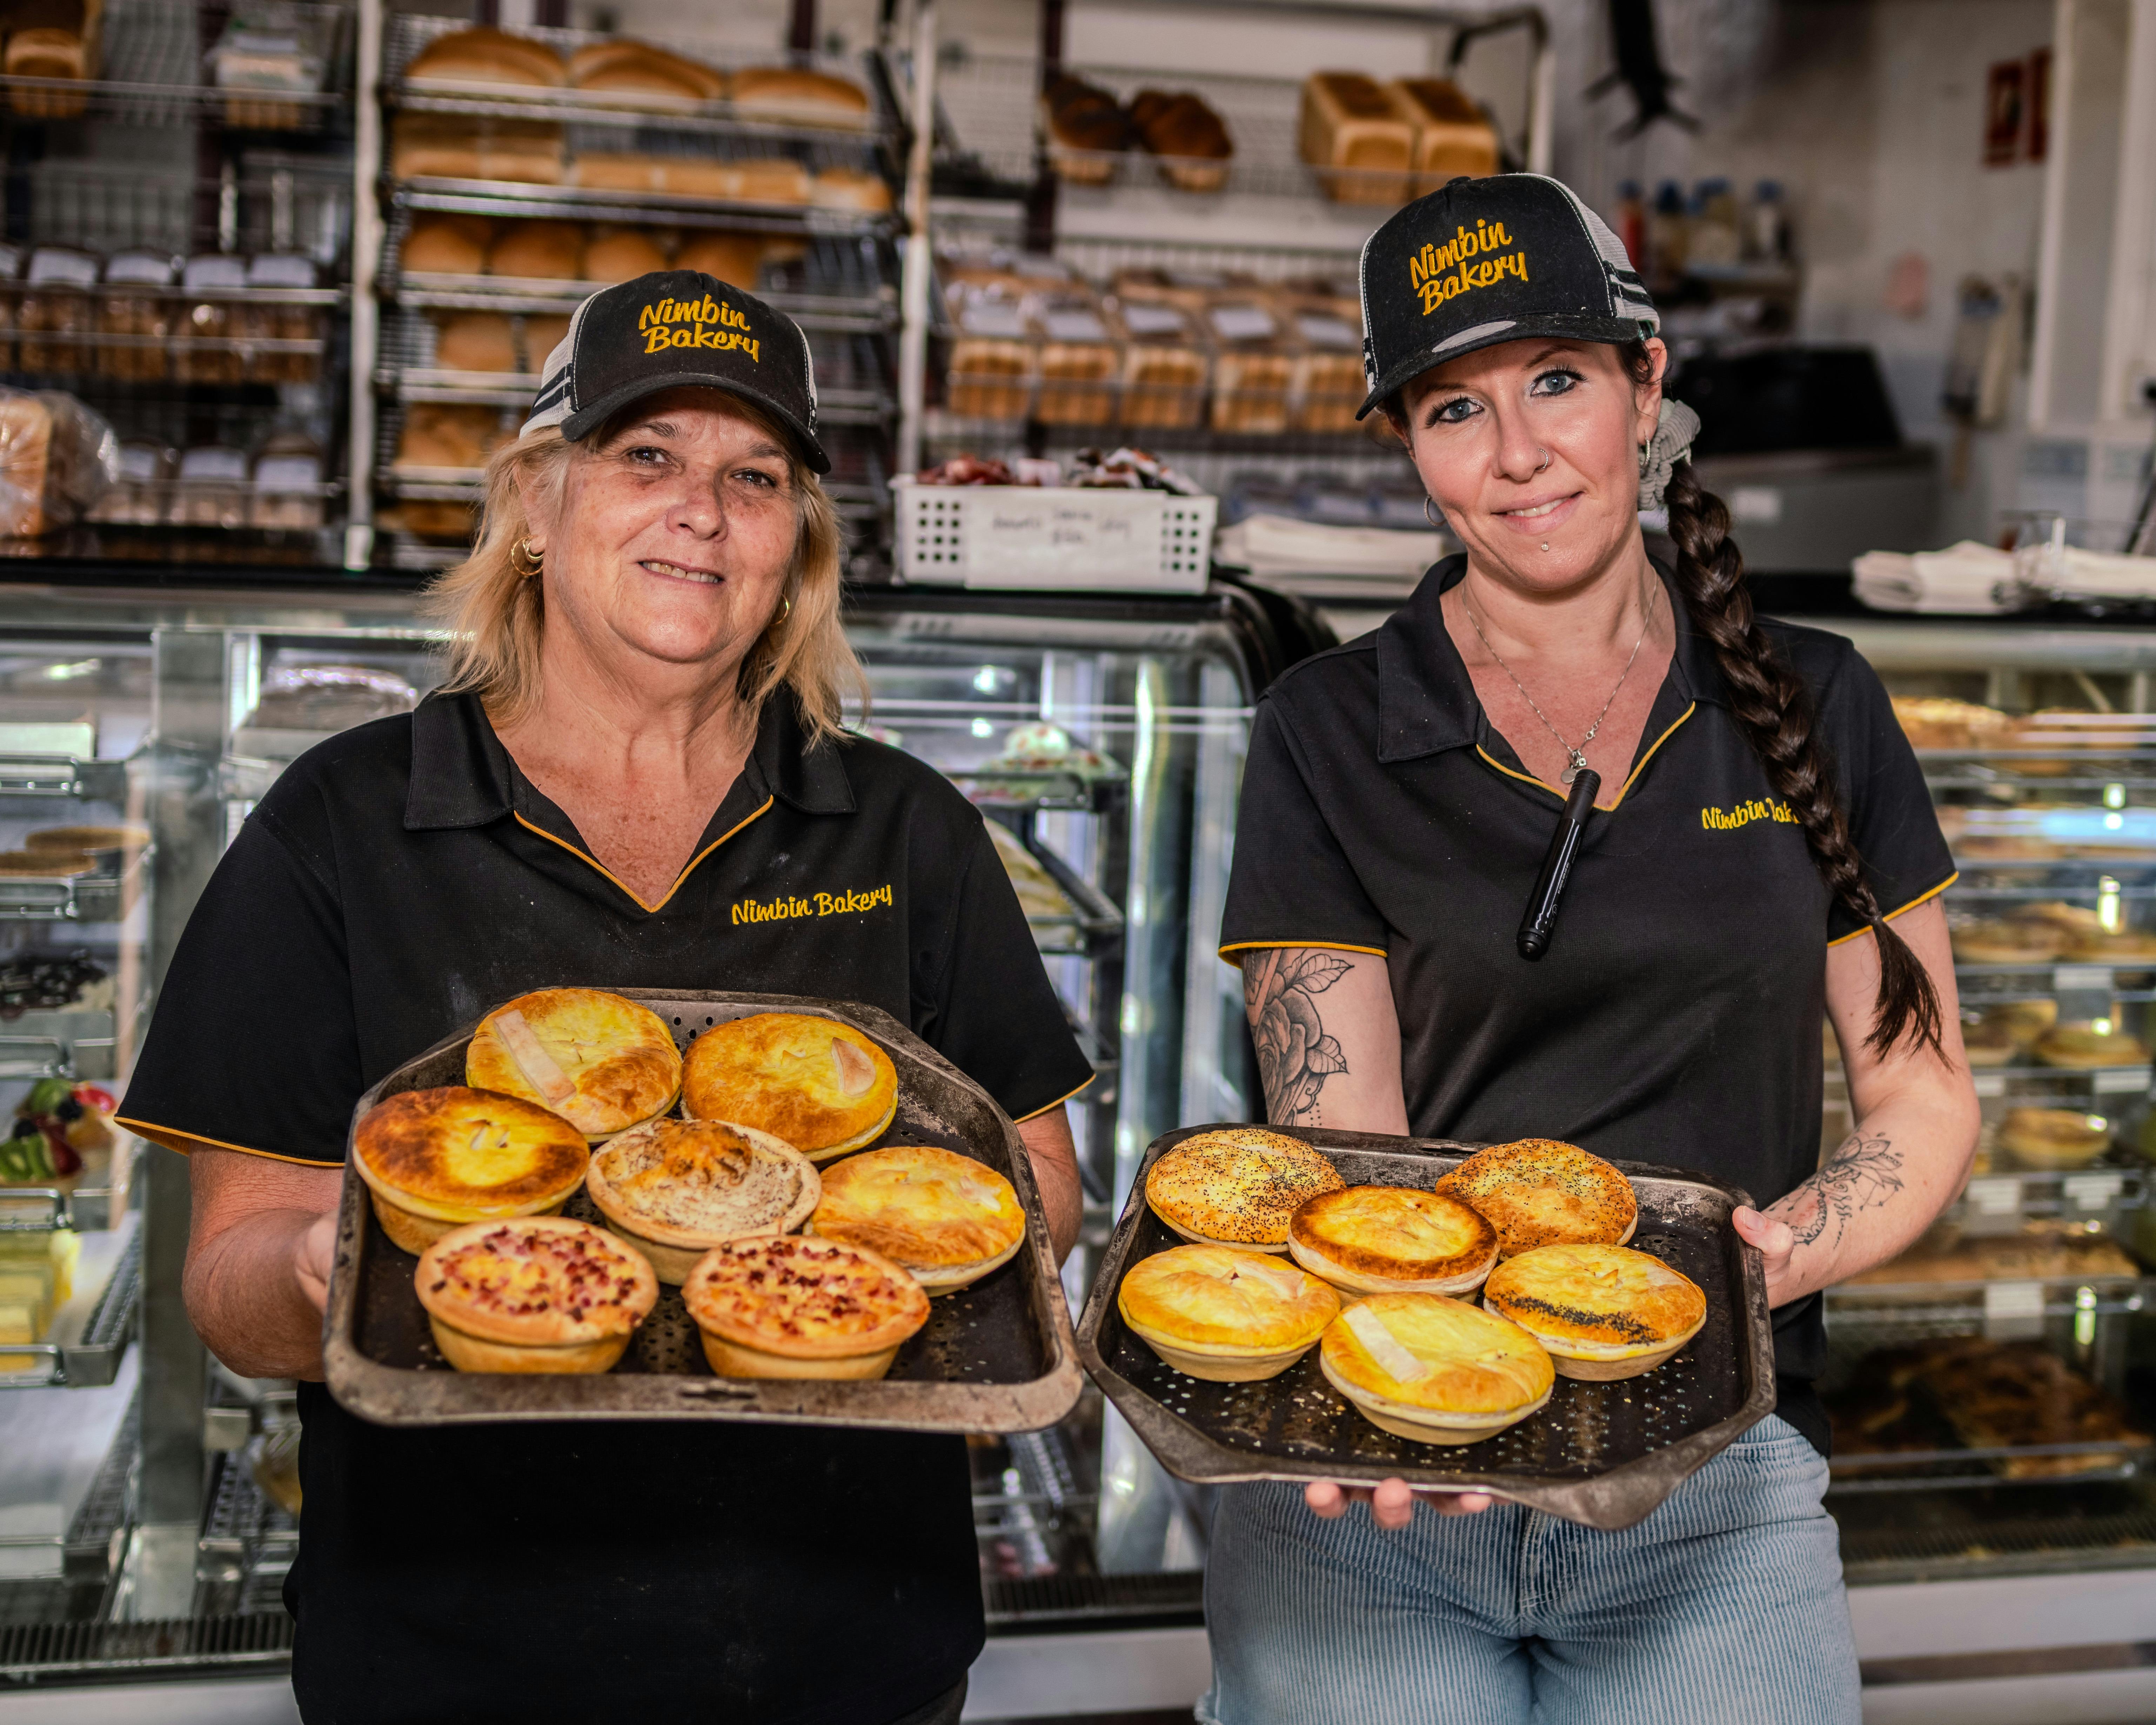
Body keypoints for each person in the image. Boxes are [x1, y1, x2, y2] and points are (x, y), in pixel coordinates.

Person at [116, 271, 1093, 1725]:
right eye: (646, 455)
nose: (699, 509)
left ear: (796, 546)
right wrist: (331, 1266)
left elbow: (1042, 1202)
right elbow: (232, 1284)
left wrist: (822, 1247)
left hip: (845, 1652)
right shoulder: (346, 822)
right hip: (451, 1659)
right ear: (533, 501)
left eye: (752, 476)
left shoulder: (900, 825)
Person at [1206, 175, 1978, 1724]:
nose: (1516, 456)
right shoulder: (1325, 735)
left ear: (1645, 386)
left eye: (1556, 381)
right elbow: (1339, 1134)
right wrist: (1399, 1380)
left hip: (1713, 1470)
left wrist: (1769, 1265)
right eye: (1450, 409)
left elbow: (1925, 1100)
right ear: (1409, 446)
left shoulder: (1815, 705)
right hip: (1395, 1473)